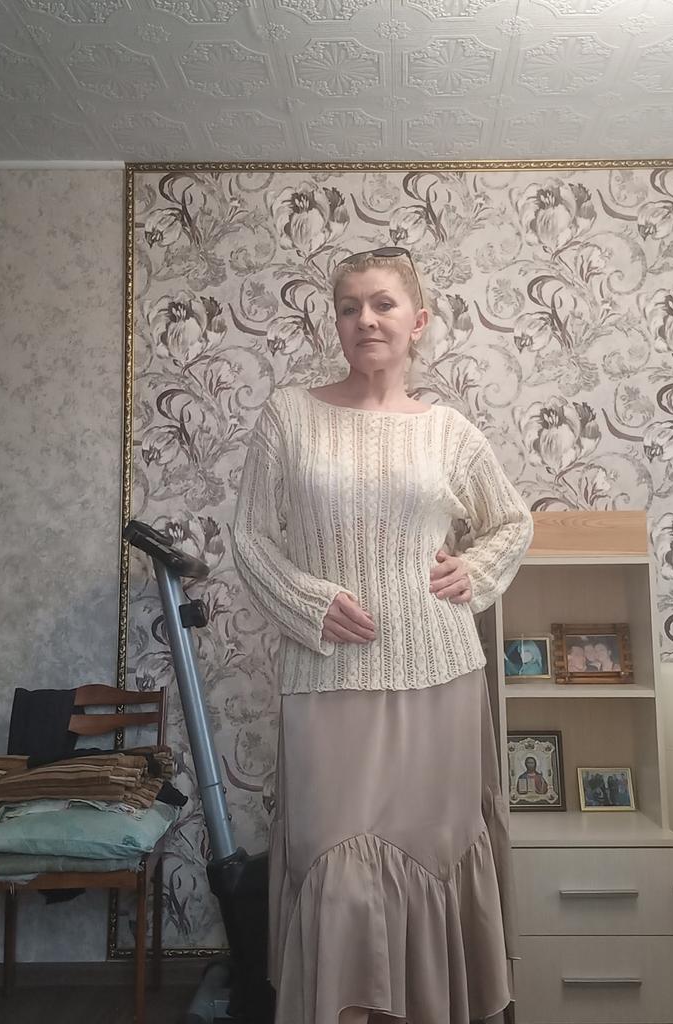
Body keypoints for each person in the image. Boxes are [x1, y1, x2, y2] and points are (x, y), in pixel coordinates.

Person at [232, 246, 534, 1024]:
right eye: (348, 307)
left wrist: (474, 571)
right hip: (327, 678)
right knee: (331, 864)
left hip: (440, 679)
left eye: (382, 303)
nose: (364, 319)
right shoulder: (289, 416)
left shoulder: (449, 432)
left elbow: (512, 521)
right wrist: (309, 601)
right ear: (336, 323)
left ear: (418, 321)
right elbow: (249, 536)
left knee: (435, 856)